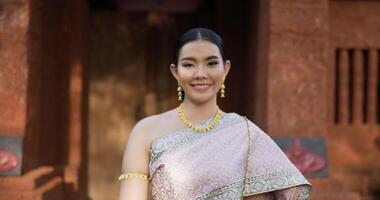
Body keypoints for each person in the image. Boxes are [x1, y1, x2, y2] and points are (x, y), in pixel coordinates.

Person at [119, 28, 312, 200]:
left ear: (225, 69)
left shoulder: (244, 134)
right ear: (175, 71)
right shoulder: (145, 132)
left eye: (211, 63)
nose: (200, 73)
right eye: (189, 65)